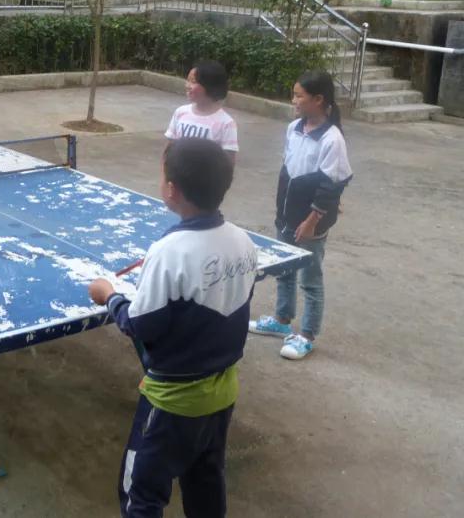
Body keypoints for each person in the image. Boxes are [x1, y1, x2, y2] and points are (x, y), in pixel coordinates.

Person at [88, 138, 258, 518]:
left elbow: (141, 325)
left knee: (141, 494)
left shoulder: (170, 251)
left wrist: (109, 296)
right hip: (222, 392)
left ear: (171, 189)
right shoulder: (243, 241)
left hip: (173, 401)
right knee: (205, 481)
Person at [249, 69, 353, 361]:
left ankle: (307, 335)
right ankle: (282, 320)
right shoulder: (294, 128)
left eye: (298, 96)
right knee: (285, 269)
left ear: (318, 100)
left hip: (310, 224)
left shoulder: (332, 139)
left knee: (310, 279)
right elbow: (288, 170)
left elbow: (331, 185)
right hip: (286, 215)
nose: (293, 100)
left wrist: (311, 221)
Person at [164, 60, 238, 164]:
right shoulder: (181, 113)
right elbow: (169, 149)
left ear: (210, 86)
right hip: (178, 173)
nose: (187, 85)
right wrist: (165, 173)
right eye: (187, 80)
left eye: (193, 82)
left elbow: (228, 162)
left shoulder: (226, 123)